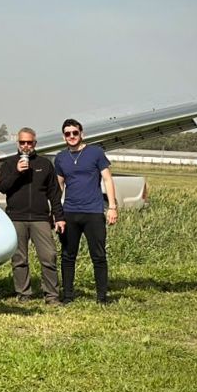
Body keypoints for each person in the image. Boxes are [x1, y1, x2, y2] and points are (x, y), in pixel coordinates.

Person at [0, 127, 65, 305]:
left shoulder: (44, 164)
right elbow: (2, 187)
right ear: (17, 143)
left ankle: (51, 295)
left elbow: (54, 193)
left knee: (49, 256)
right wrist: (17, 172)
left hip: (40, 218)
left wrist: (59, 216)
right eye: (22, 142)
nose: (26, 146)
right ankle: (24, 293)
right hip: (16, 217)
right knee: (19, 259)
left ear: (35, 143)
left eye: (29, 142)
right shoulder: (9, 163)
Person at [54, 119, 117, 304]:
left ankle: (102, 297)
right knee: (67, 255)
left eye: (75, 132)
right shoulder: (61, 158)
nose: (71, 136)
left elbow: (107, 180)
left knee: (98, 255)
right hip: (70, 212)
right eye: (67, 133)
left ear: (82, 133)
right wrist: (57, 213)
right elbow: (59, 185)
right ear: (63, 136)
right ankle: (67, 296)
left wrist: (112, 207)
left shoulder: (95, 152)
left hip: (93, 212)